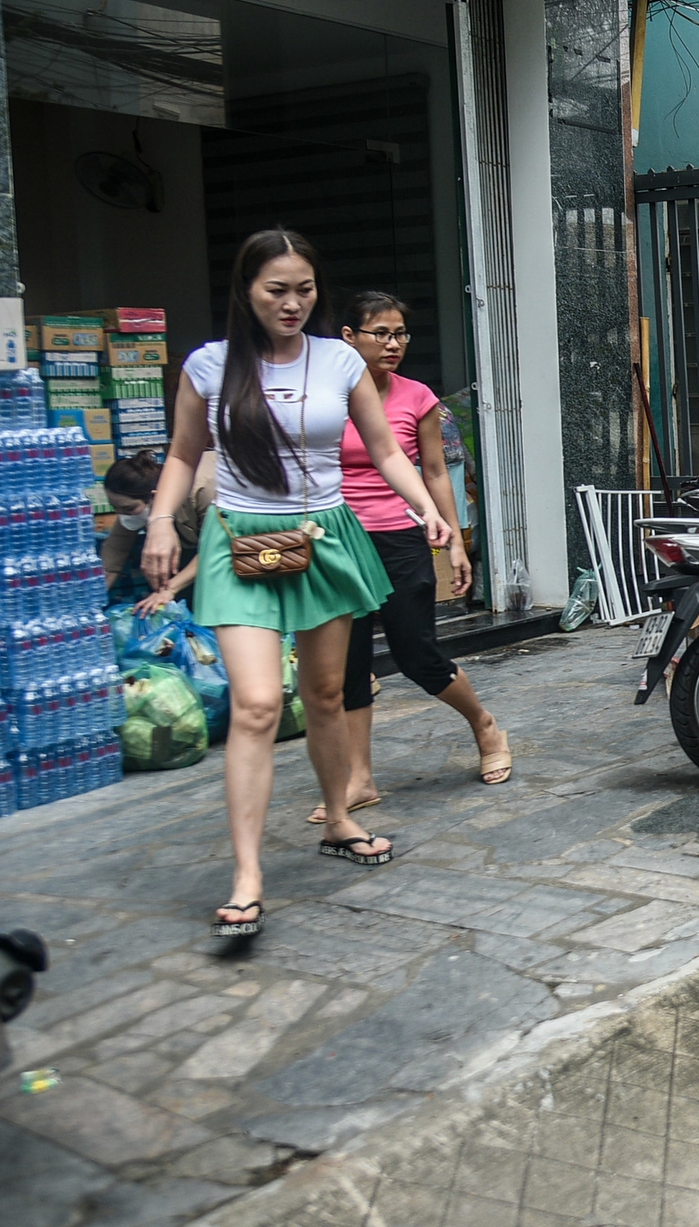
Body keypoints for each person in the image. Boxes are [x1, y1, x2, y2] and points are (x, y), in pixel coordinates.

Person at [143, 229, 449, 937]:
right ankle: (248, 873)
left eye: (303, 289)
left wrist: (427, 507)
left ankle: (339, 816)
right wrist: (161, 522)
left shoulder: (338, 358)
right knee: (255, 702)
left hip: (324, 537)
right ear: (246, 290)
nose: (291, 302)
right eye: (276, 289)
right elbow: (184, 453)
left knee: (324, 695)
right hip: (240, 541)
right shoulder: (210, 365)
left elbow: (383, 449)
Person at [315, 291, 510, 825]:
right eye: (381, 333)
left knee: (416, 654)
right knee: (348, 664)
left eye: (401, 333)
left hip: (399, 539)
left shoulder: (416, 396)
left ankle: (484, 724)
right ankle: (359, 778)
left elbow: (431, 470)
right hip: (336, 543)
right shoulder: (322, 398)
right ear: (348, 337)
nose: (394, 344)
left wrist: (453, 540)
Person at [102, 450, 216, 614]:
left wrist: (169, 590)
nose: (122, 515)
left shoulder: (203, 492)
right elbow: (115, 550)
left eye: (128, 508)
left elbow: (213, 549)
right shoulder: (131, 507)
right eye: (115, 508)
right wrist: (93, 597)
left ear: (154, 497)